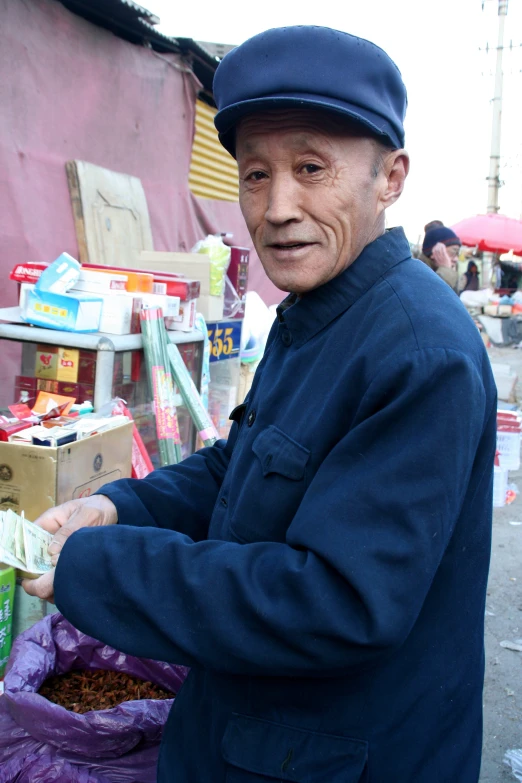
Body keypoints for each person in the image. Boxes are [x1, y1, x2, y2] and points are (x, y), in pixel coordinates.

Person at [24, 26, 496, 783]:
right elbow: (242, 466)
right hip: (251, 732)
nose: (278, 207)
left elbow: (337, 601)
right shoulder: (317, 310)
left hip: (341, 756)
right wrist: (120, 511)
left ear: (390, 176)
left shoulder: (418, 354)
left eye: (312, 168)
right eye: (254, 175)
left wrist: (102, 567)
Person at [422, 224, 461, 291]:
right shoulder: (418, 274)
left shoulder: (450, 269)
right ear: (434, 251)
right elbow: (432, 295)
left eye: (457, 254)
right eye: (453, 252)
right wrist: (446, 271)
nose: (456, 259)